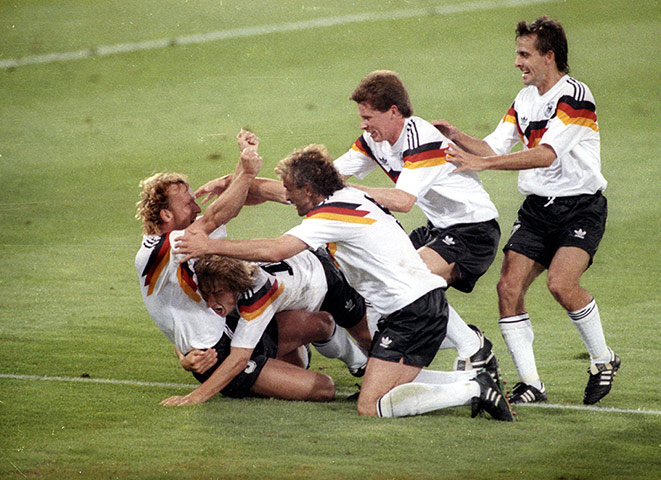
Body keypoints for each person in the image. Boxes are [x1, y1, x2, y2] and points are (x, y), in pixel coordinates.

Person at [175, 144, 514, 420]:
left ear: (309, 189)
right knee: (380, 380)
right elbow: (272, 191)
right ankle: (472, 379)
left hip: (412, 311)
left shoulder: (329, 216)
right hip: (411, 307)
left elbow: (278, 248)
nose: (288, 198)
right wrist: (235, 181)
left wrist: (209, 245)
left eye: (292, 191)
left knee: (371, 405)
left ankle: (474, 387)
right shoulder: (345, 197)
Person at [435, 16, 619, 405]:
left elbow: (545, 154)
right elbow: (493, 146)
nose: (518, 62)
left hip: (580, 208)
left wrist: (482, 166)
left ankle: (603, 360)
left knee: (561, 285)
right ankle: (532, 384)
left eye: (524, 54)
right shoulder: (524, 100)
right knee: (508, 288)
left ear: (548, 56)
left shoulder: (575, 97)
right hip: (538, 210)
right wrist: (457, 138)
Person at [135, 131, 359, 405]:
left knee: (322, 323)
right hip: (218, 356)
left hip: (235, 323)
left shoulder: (187, 239)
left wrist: (244, 162)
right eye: (188, 202)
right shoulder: (157, 251)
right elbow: (217, 216)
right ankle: (274, 363)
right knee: (323, 389)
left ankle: (354, 364)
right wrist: (246, 172)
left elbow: (228, 210)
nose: (196, 207)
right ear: (166, 215)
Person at [334, 70, 502, 377]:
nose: (363, 124)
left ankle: (472, 347)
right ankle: (417, 358)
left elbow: (402, 201)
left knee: (412, 280)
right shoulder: (376, 142)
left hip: (473, 230)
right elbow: (329, 175)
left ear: (394, 112)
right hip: (437, 228)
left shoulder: (420, 139)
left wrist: (351, 191)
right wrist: (256, 184)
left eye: (369, 117)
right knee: (381, 284)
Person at [163, 250, 371, 406]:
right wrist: (184, 359)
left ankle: (360, 363)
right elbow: (184, 327)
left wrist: (195, 397)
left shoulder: (258, 293)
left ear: (236, 286)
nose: (210, 302)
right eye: (207, 294)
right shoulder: (207, 284)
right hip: (294, 285)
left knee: (353, 334)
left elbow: (239, 358)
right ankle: (297, 354)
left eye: (218, 293)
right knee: (308, 362)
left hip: (324, 278)